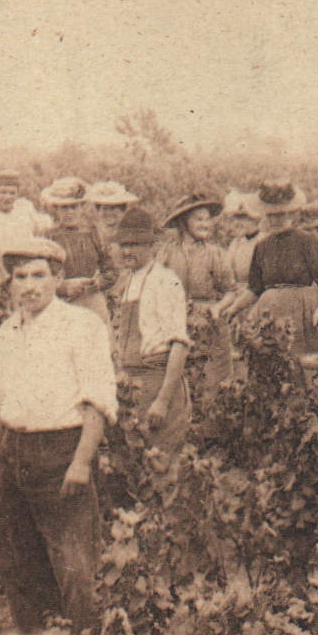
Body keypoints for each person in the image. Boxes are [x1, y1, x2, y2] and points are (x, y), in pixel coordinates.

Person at [0, 238, 117, 635]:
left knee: (74, 565)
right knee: (17, 561)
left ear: (58, 279)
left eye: (39, 276)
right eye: (20, 277)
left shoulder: (81, 326)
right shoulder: (7, 330)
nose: (29, 285)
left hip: (61, 453)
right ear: (10, 284)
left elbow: (97, 403)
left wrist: (81, 462)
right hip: (13, 455)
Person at [110, 207, 192, 492]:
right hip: (133, 385)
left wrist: (163, 400)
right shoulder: (129, 280)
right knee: (138, 469)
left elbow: (179, 345)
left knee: (163, 468)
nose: (127, 251)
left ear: (152, 246)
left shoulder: (165, 281)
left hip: (158, 380)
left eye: (135, 245)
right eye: (124, 245)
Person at [244, 180, 318, 379]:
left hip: (302, 316)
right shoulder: (262, 246)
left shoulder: (307, 240)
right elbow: (254, 289)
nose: (277, 219)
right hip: (269, 317)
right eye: (272, 215)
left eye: (282, 214)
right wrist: (231, 310)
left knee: (304, 374)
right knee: (270, 372)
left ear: (292, 213)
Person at [157, 193, 236, 399]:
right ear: (184, 223)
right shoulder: (167, 253)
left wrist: (218, 308)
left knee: (211, 385)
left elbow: (230, 291)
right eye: (198, 219)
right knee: (177, 385)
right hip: (174, 323)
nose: (205, 224)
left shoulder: (215, 253)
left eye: (207, 219)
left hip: (208, 324)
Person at [42, 176, 112, 324]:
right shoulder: (48, 236)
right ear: (56, 208)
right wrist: (62, 288)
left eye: (73, 206)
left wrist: (97, 284)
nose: (69, 212)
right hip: (61, 303)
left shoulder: (93, 233)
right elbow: (40, 274)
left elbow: (111, 270)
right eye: (64, 207)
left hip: (92, 303)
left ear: (81, 207)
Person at [0, 168, 52, 278]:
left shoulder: (24, 207)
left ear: (17, 194)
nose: (8, 197)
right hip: (5, 271)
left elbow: (43, 226)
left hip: (29, 266)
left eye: (12, 193)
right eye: (3, 192)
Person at [88, 180, 140, 250]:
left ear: (122, 210)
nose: (108, 213)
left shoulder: (131, 233)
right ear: (98, 211)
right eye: (105, 209)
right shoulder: (92, 234)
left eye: (113, 208)